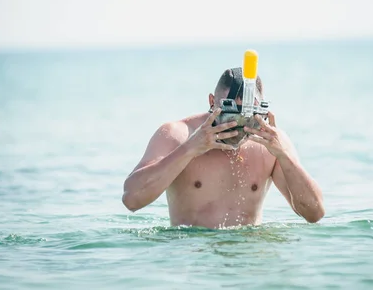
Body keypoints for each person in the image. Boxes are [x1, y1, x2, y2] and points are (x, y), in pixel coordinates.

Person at [122, 67, 325, 229]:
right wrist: (190, 149)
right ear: (212, 102)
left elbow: (314, 214)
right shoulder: (178, 135)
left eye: (246, 117)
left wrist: (284, 156)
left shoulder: (271, 142)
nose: (237, 127)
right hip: (194, 261)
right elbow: (131, 199)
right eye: (230, 114)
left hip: (248, 262)